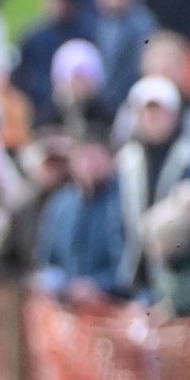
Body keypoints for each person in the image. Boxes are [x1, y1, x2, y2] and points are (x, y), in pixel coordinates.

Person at [117, 76, 190, 316]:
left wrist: (183, 248)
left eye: (159, 111)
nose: (153, 119)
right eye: (146, 112)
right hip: (141, 290)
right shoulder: (125, 162)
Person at [35, 122, 126, 304]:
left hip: (113, 304)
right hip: (70, 306)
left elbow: (129, 263)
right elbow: (49, 257)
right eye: (83, 157)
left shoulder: (123, 202)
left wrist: (100, 285)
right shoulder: (61, 204)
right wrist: (57, 283)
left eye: (94, 157)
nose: (88, 165)